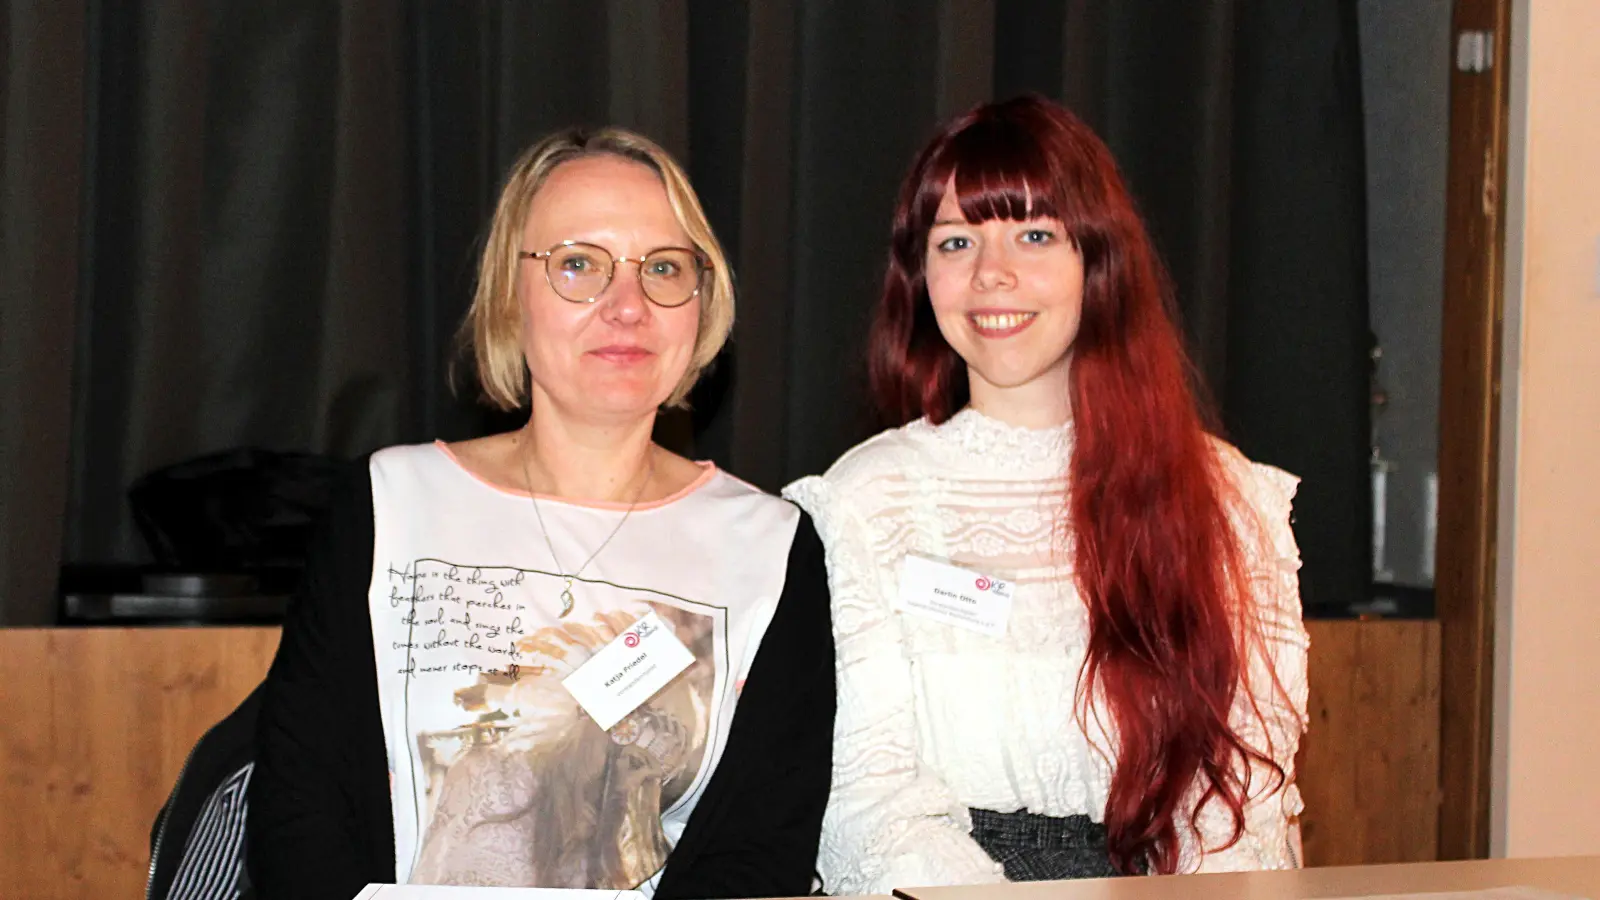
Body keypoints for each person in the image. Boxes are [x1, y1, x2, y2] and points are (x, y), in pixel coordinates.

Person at [248, 126, 835, 900]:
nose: (627, 306)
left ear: (701, 302)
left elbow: (760, 852)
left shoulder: (770, 545)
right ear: (509, 296)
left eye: (663, 268)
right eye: (579, 266)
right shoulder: (392, 504)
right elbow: (298, 816)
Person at [784, 95, 1308, 893]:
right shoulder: (865, 502)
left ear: (1099, 262)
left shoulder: (1229, 497)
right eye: (956, 242)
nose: (993, 274)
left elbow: (1246, 798)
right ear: (920, 278)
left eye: (1034, 235)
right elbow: (870, 799)